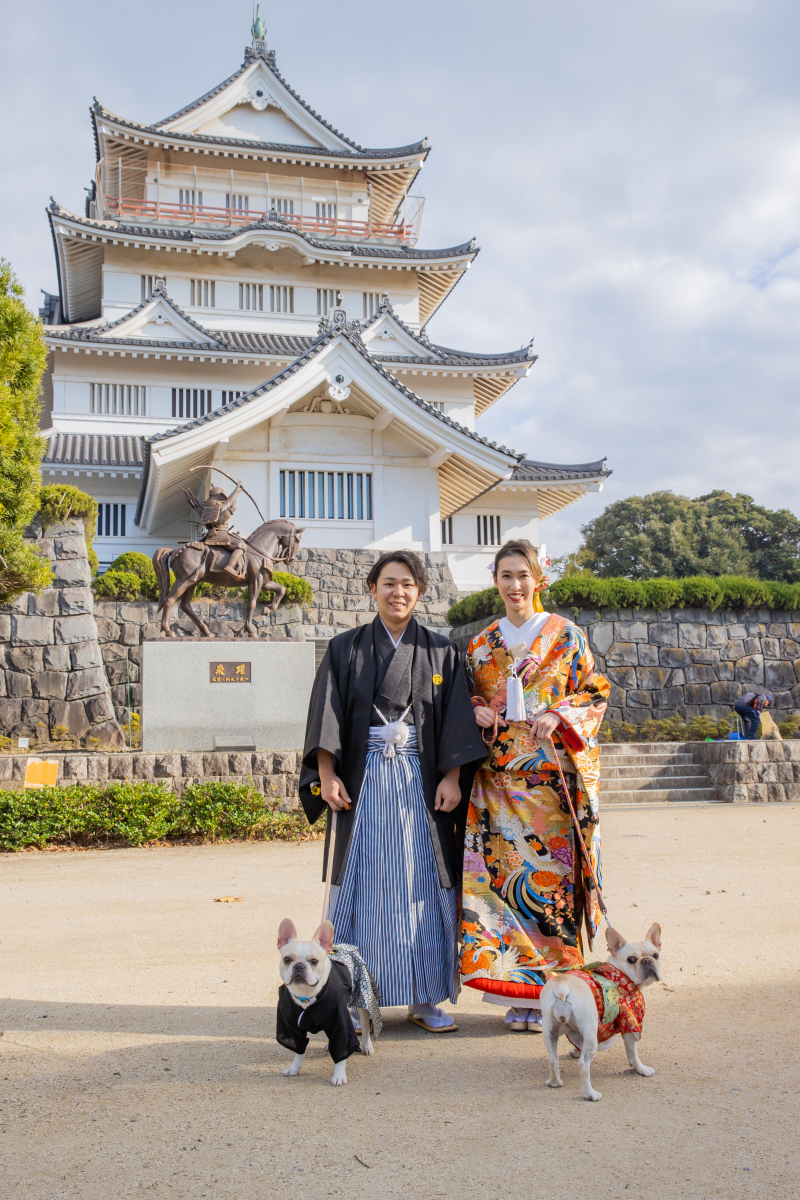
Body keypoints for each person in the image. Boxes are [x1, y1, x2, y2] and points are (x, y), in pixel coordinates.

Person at [299, 551, 486, 1032]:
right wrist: (327, 772)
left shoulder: (442, 652)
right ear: (372, 589)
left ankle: (425, 996)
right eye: (388, 583)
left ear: (420, 591)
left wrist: (452, 778)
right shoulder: (345, 649)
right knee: (363, 886)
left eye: (406, 584)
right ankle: (359, 998)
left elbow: (457, 722)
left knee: (424, 883)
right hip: (364, 783)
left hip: (421, 785)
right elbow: (328, 714)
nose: (397, 592)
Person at [460, 540, 610, 1032]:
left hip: (549, 783)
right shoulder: (481, 644)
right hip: (498, 782)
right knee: (501, 885)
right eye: (506, 575)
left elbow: (594, 690)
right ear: (495, 580)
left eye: (523, 575)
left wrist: (559, 713)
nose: (515, 585)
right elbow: (464, 698)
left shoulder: (566, 635)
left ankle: (557, 989)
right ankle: (519, 992)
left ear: (538, 578)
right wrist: (475, 710)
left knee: (552, 889)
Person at [184, 481, 251, 581]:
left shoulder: (209, 504)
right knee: (242, 545)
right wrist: (236, 491)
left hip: (218, 532)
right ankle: (230, 566)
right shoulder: (215, 504)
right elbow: (225, 508)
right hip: (219, 533)